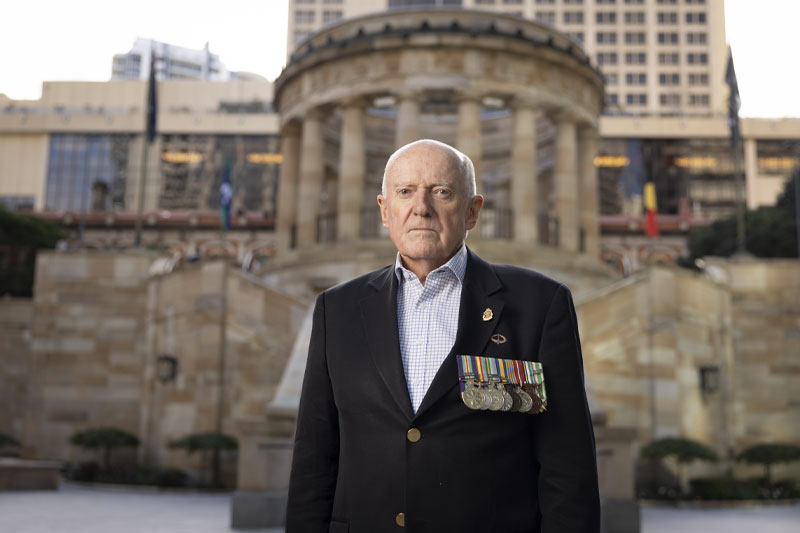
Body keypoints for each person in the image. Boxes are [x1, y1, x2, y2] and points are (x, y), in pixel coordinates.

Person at [286, 139, 600, 533]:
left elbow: (568, 466)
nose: (421, 207)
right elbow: (314, 460)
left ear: (472, 212)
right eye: (405, 192)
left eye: (442, 192)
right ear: (385, 211)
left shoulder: (539, 305)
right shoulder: (338, 309)